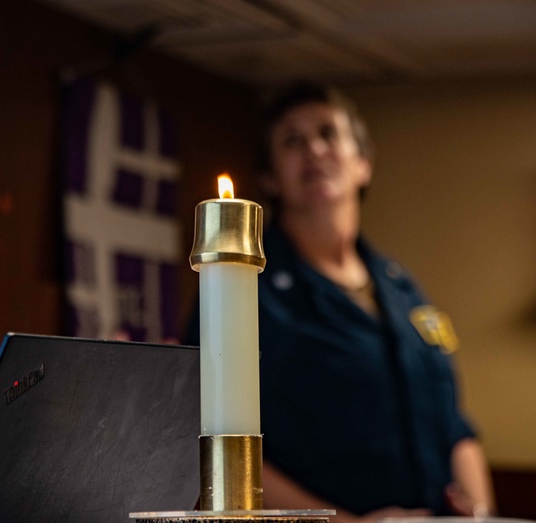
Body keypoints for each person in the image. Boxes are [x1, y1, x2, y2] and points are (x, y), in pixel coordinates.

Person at [183, 82, 495, 522]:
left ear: (364, 164)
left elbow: (455, 424)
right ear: (270, 176)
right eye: (292, 140)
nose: (313, 148)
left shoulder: (400, 286)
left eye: (328, 133)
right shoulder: (243, 289)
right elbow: (204, 435)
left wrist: (481, 512)